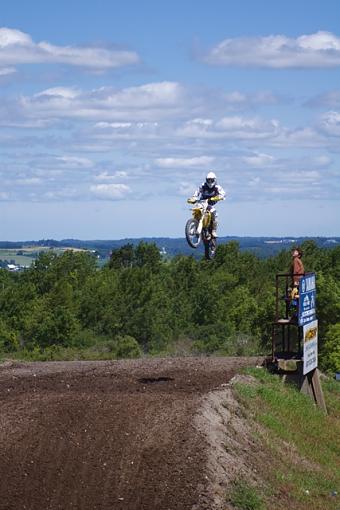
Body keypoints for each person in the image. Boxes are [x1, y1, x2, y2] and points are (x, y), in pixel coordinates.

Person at [187, 172, 225, 237]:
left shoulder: (217, 187)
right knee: (196, 210)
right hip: (202, 202)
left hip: (210, 203)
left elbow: (223, 194)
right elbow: (197, 193)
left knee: (214, 212)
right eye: (208, 180)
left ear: (214, 180)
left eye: (211, 180)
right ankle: (193, 224)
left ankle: (213, 231)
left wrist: (218, 197)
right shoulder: (203, 186)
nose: (210, 182)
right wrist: (193, 198)